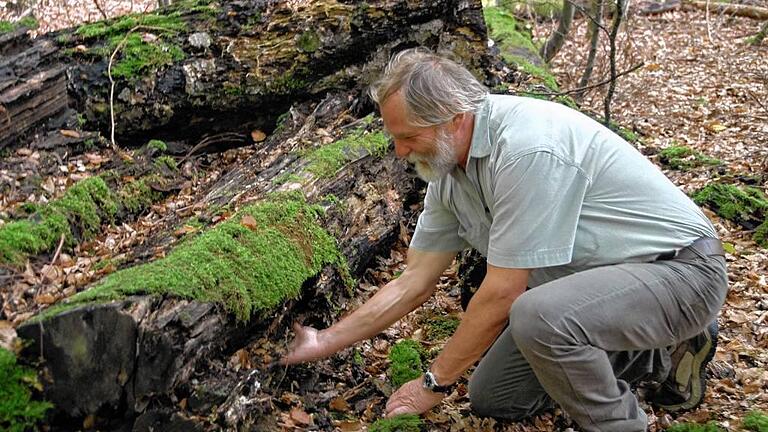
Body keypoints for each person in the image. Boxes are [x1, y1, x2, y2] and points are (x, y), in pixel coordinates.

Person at [280, 48, 728, 432]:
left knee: (538, 316)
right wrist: (324, 341)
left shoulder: (527, 148)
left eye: (408, 137)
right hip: (599, 288)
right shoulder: (449, 173)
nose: (399, 152)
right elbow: (413, 281)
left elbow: (502, 293)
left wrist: (432, 384)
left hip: (681, 272)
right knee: (496, 396)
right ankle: (658, 356)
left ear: (454, 119)